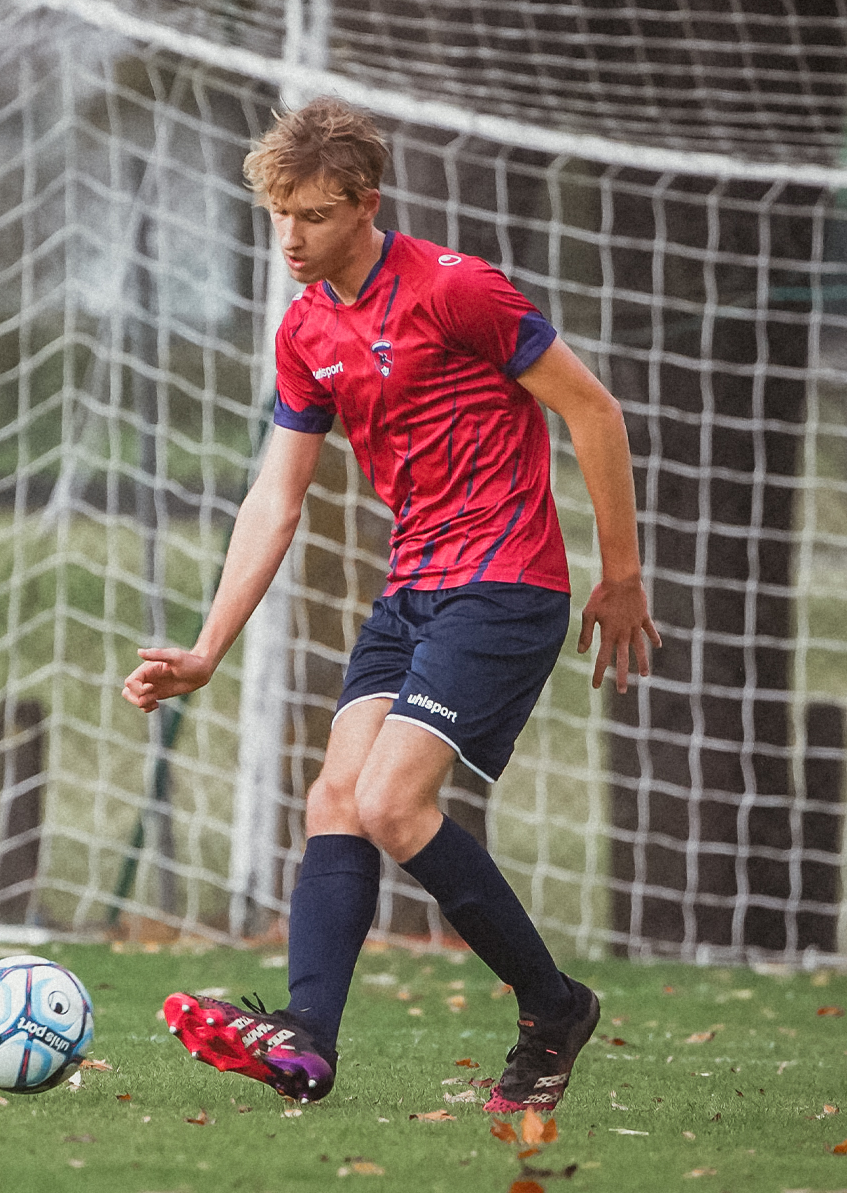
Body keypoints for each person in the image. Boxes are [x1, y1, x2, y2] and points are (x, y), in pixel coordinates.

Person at [122, 97, 659, 1114]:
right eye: (279, 215)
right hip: (411, 589)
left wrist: (620, 573)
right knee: (333, 800)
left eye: (314, 216)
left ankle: (554, 1007)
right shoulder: (305, 328)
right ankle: (307, 1043)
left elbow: (593, 408)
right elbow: (273, 500)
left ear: (367, 205)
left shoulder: (456, 291)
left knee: (389, 803)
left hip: (504, 586)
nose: (290, 237)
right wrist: (204, 651)